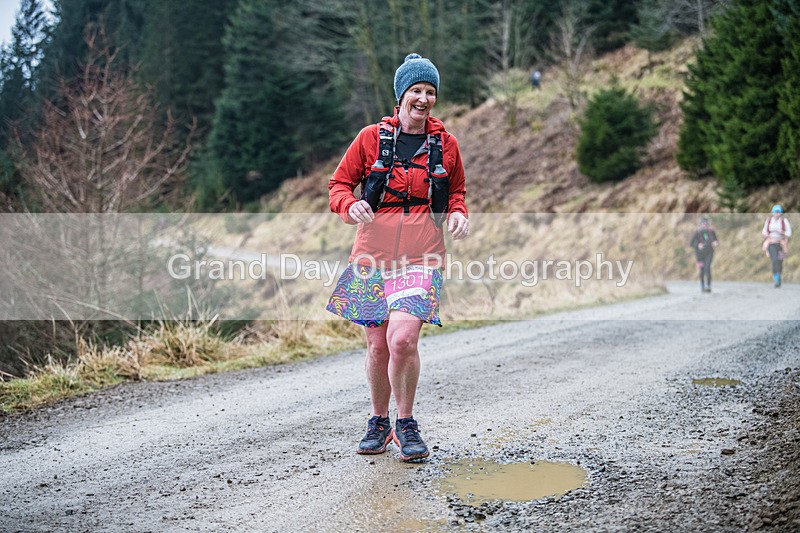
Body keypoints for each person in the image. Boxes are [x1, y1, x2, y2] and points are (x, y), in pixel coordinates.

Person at [326, 53, 469, 462]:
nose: (423, 99)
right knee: (378, 347)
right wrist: (348, 205)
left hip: (422, 256)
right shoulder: (371, 138)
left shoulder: (446, 145)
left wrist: (457, 213)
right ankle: (378, 421)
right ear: (401, 95)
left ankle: (405, 423)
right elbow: (339, 184)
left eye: (430, 92)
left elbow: (456, 191)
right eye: (416, 91)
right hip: (372, 254)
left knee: (402, 339)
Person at [761, 204, 792, 287]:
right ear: (772, 213)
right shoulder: (769, 221)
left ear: (781, 213)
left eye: (778, 212)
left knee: (779, 261)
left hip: (781, 244)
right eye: (775, 212)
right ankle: (776, 279)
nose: (777, 214)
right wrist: (768, 235)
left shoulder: (784, 221)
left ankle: (779, 275)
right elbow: (764, 232)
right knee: (774, 260)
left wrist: (783, 233)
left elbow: (789, 233)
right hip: (771, 243)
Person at [690, 216, 718, 293]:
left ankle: (708, 286)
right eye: (703, 223)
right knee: (702, 270)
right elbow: (691, 244)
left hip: (709, 252)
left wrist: (715, 243)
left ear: (708, 224)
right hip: (699, 255)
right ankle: (702, 285)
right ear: (700, 224)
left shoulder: (711, 231)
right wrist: (698, 245)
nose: (704, 225)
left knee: (707, 268)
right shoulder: (697, 232)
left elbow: (715, 240)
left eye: (706, 223)